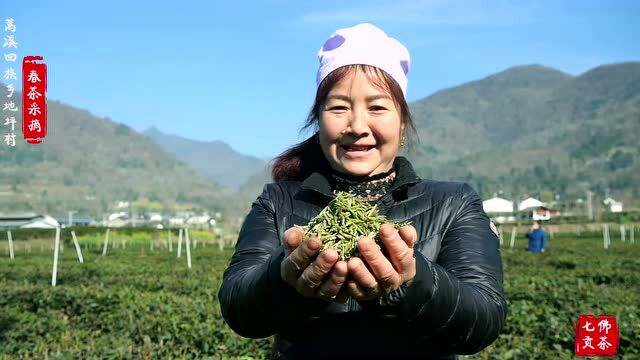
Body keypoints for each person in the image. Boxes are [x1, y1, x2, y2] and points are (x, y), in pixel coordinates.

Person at [219, 23, 507, 360]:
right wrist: (285, 277)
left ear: (402, 123)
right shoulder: (279, 200)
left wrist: (413, 281)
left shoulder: (453, 202)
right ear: (318, 121)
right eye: (338, 107)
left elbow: (484, 319)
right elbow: (239, 308)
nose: (357, 126)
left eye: (377, 107)